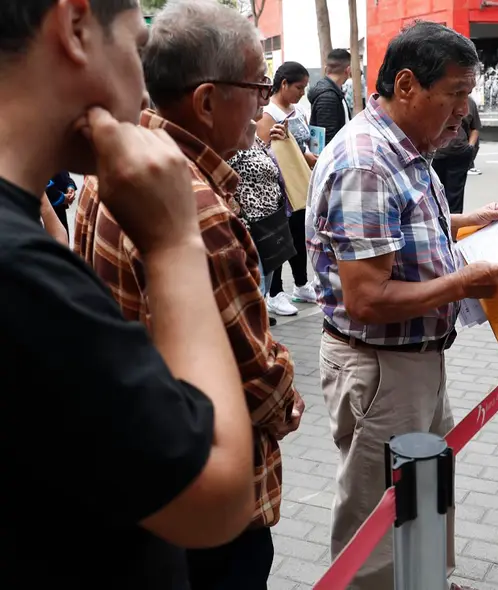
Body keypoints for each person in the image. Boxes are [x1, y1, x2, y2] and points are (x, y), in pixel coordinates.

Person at [1, 0, 255, 587]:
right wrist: (173, 244)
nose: (145, 92)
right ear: (75, 26)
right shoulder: (23, 275)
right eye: (138, 49)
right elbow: (215, 495)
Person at [74, 2, 302, 588]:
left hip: (143, 471)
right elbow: (256, 382)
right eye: (256, 87)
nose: (262, 104)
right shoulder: (196, 209)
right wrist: (288, 397)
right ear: (205, 101)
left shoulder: (122, 162)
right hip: (210, 501)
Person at [306, 21, 498, 590]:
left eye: (468, 95)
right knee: (376, 517)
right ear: (407, 85)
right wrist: (461, 284)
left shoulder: (403, 146)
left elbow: (398, 227)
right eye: (454, 95)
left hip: (416, 359)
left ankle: (426, 578)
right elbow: (366, 298)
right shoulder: (366, 163)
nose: (463, 112)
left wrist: (464, 222)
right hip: (382, 369)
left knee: (428, 488)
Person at [258, 61, 318, 316]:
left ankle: (301, 283)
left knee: (298, 237)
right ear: (283, 84)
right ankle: (275, 292)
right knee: (280, 239)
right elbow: (260, 151)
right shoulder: (267, 113)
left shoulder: (297, 110)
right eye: (298, 87)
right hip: (277, 189)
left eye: (304, 88)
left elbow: (302, 147)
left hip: (297, 184)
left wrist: (311, 158)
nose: (301, 93)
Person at [230, 115, 297, 308]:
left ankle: (261, 323)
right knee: (256, 284)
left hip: (270, 221)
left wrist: (277, 143)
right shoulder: (230, 140)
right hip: (251, 225)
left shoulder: (254, 139)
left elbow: (268, 165)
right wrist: (234, 204)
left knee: (265, 280)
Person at [432, 96, 481, 213]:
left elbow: (475, 127)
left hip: (460, 153)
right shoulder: (436, 98)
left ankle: (454, 226)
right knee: (435, 192)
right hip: (436, 154)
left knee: (455, 194)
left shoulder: (469, 102)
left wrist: (470, 146)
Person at [309, 49, 352, 145]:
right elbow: (329, 141)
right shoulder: (328, 97)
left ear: (326, 69)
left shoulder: (334, 91)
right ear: (348, 70)